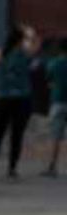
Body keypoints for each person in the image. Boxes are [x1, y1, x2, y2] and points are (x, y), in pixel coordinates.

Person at [0, 27, 34, 179]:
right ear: (21, 39)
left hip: (3, 98)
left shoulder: (0, 53)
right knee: (16, 135)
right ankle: (12, 168)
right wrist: (28, 32)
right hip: (22, 99)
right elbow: (34, 40)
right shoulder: (26, 52)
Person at [42, 40, 67, 177]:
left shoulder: (54, 63)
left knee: (55, 136)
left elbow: (49, 81)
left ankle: (52, 166)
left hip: (57, 101)